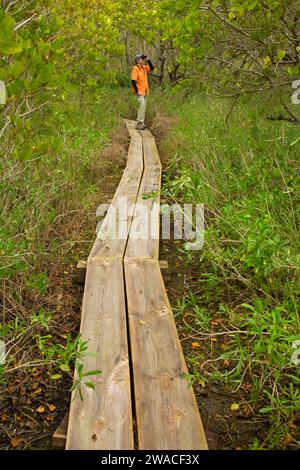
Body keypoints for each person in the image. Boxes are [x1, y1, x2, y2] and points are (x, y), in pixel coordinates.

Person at [131, 53, 154, 130]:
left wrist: (148, 59)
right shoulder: (135, 68)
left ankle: (141, 123)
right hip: (139, 92)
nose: (143, 59)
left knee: (143, 107)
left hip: (145, 91)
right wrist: (137, 91)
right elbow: (133, 81)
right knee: (142, 105)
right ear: (138, 61)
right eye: (141, 58)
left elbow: (152, 68)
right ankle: (139, 123)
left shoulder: (143, 68)